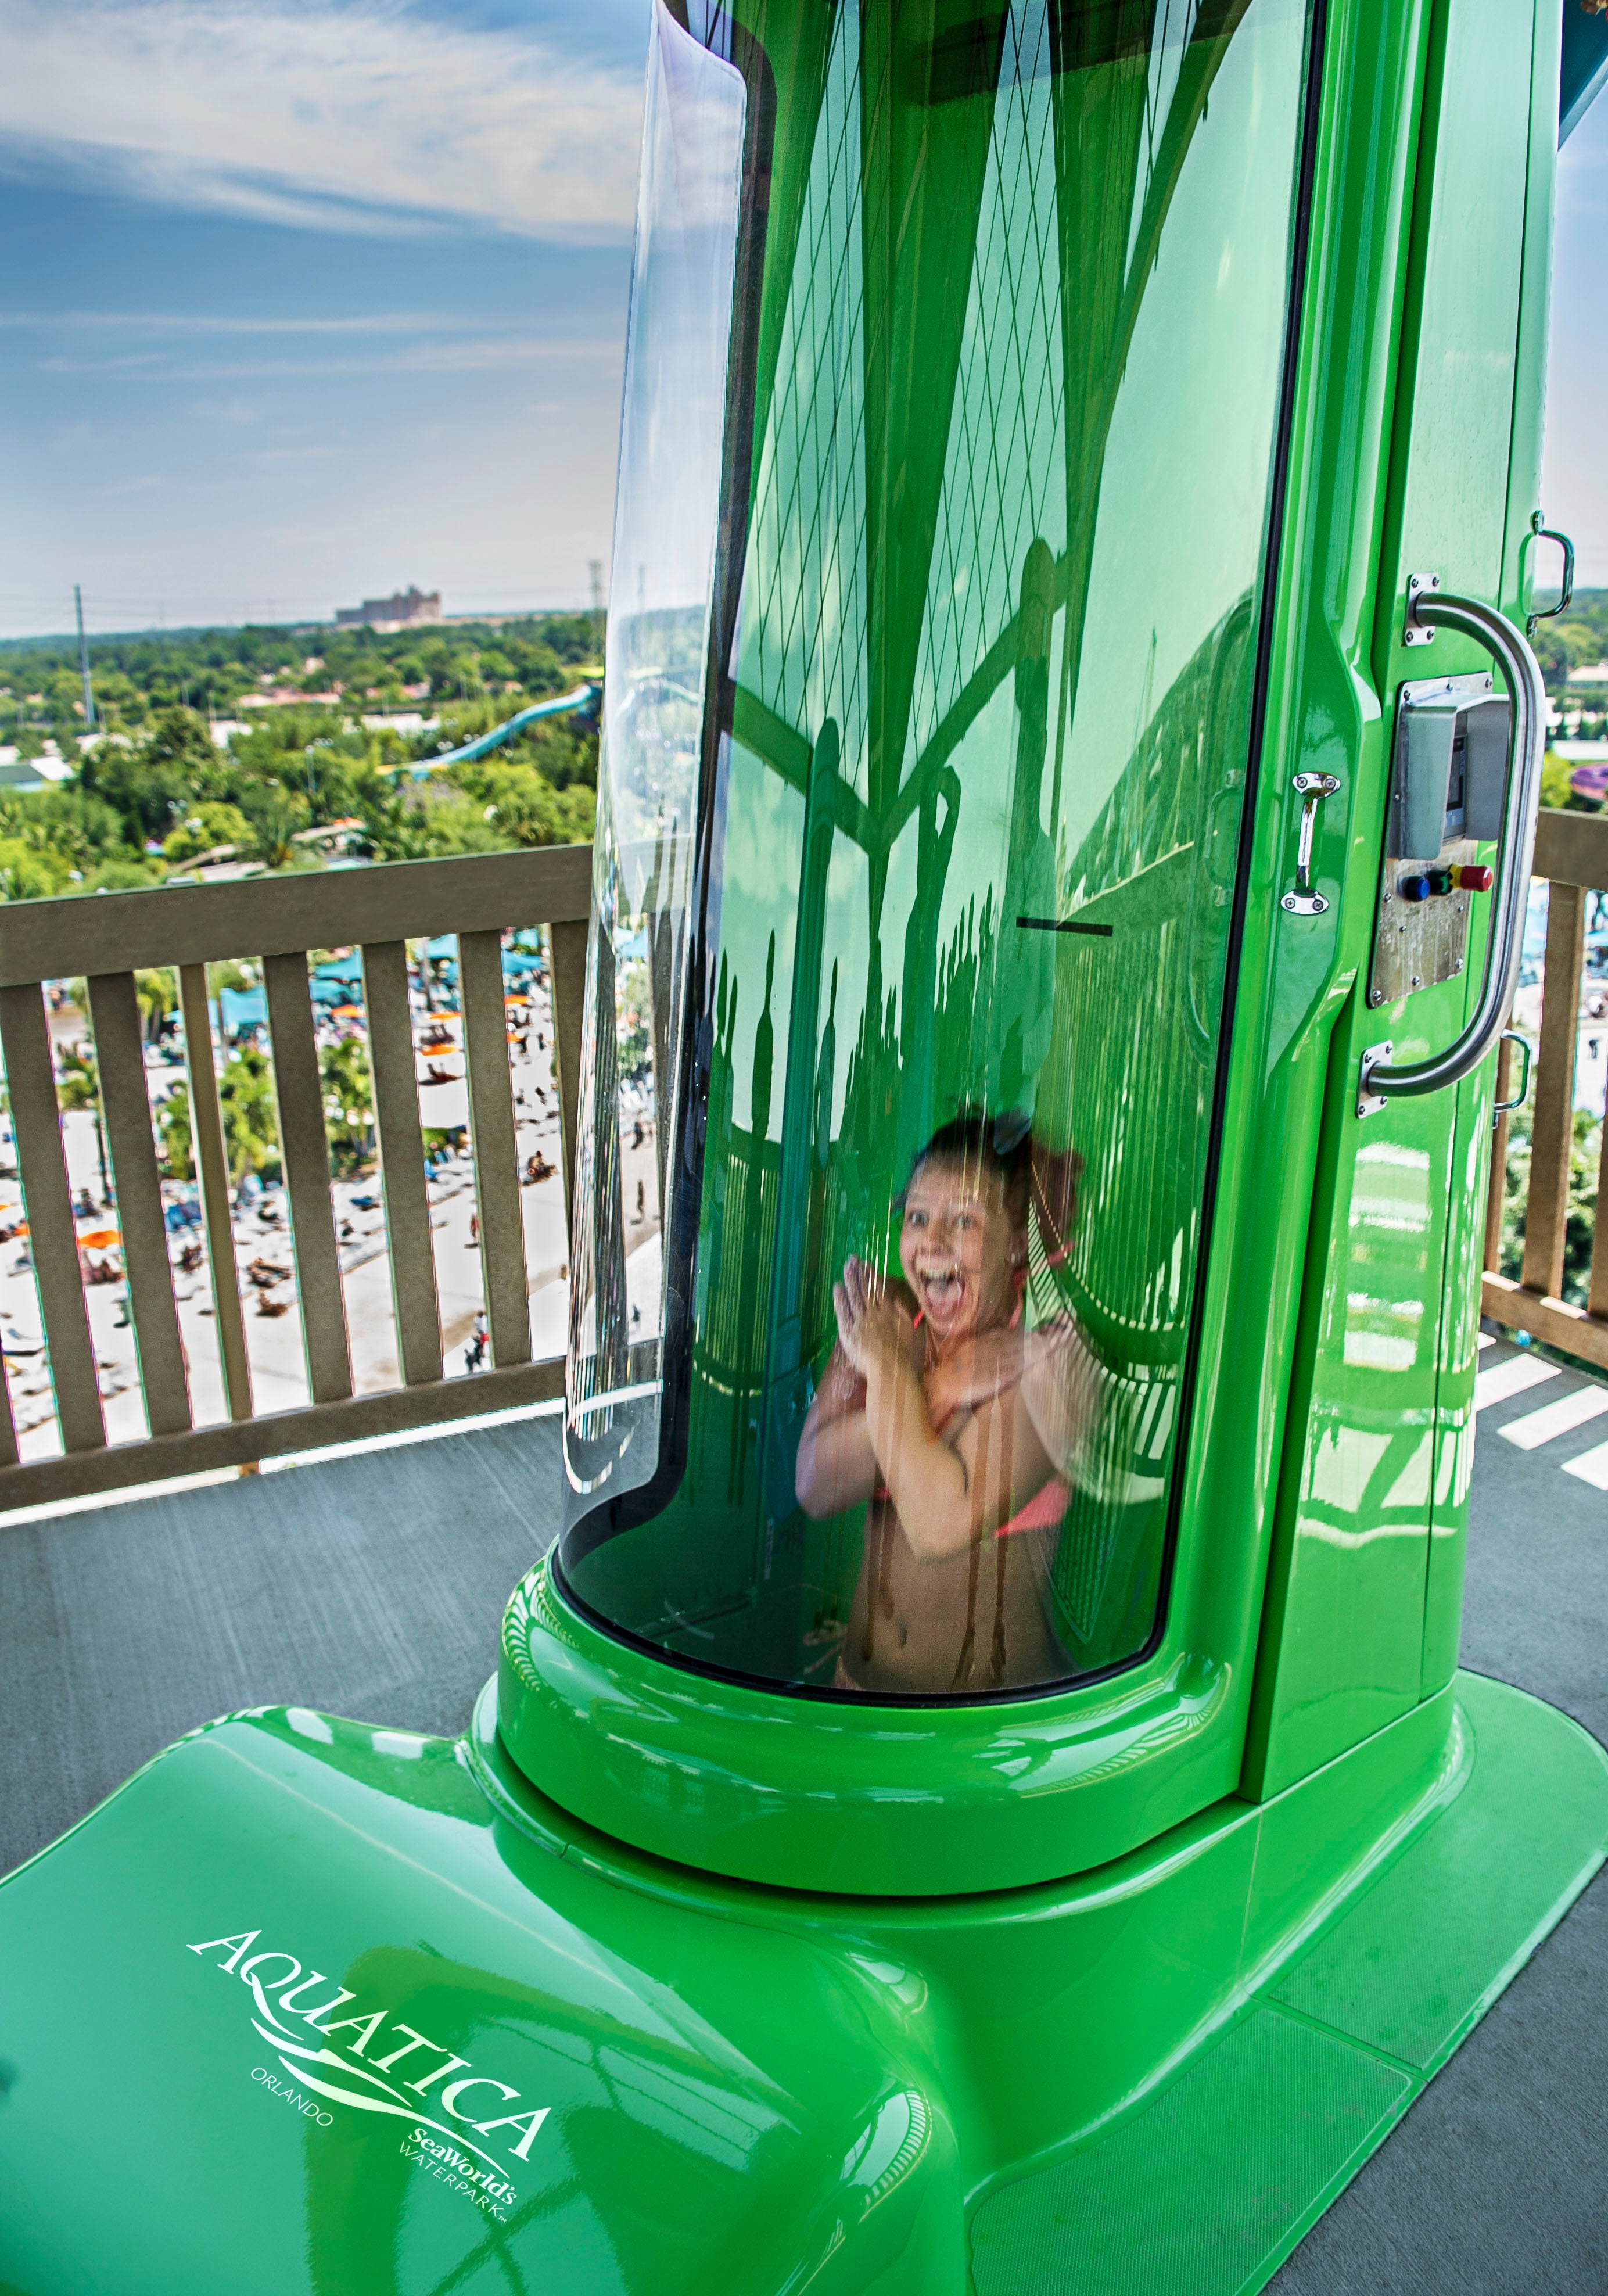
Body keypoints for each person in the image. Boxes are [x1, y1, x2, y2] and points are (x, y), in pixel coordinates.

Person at [795, 1111, 1098, 1695]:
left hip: (984, 1734)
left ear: (1016, 1243)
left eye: (963, 1219)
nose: (931, 1242)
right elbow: (815, 1484)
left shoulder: (1051, 1353)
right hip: (853, 1690)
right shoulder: (881, 1311)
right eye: (916, 1216)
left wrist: (885, 1368)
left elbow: (937, 1523)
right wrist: (939, 1384)